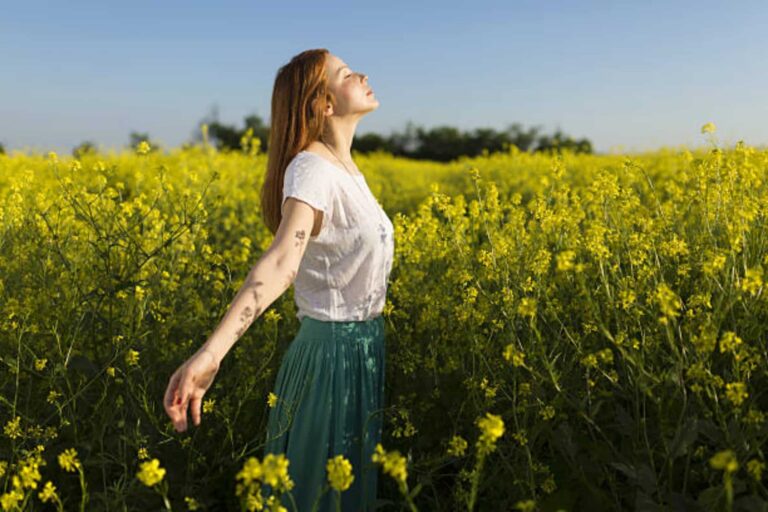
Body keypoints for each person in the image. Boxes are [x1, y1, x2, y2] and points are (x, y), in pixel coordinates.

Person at [163, 48, 393, 512]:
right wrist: (212, 354)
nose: (364, 74)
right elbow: (281, 262)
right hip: (331, 359)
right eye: (348, 74)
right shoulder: (311, 169)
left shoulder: (345, 168)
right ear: (323, 103)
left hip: (362, 353)